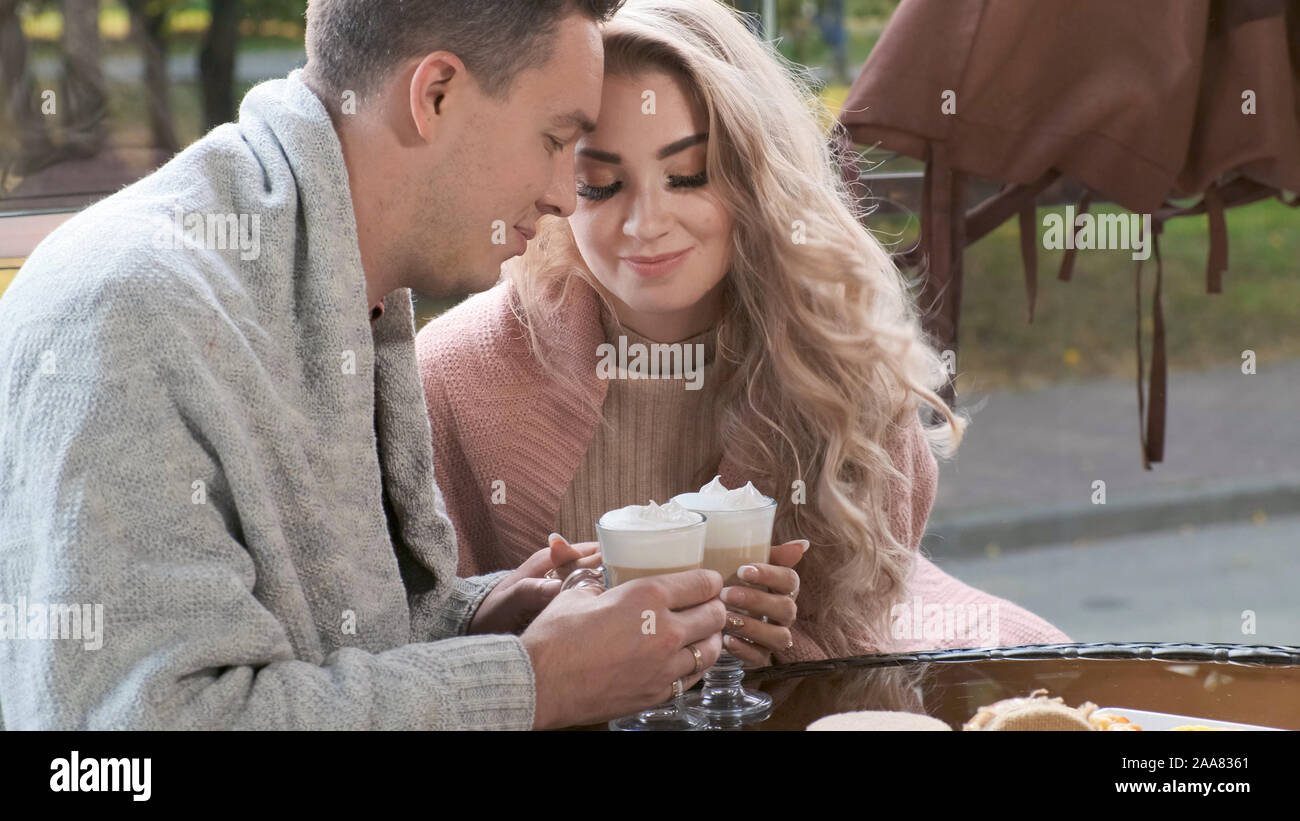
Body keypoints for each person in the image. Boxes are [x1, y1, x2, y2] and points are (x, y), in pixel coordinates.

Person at [0, 0, 729, 731]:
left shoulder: (340, 277)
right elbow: (129, 740)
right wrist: (532, 680)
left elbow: (327, 637)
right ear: (435, 93)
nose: (563, 197)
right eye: (554, 138)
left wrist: (480, 620)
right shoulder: (133, 311)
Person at [416, 0, 1070, 666]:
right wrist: (522, 636)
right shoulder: (448, 378)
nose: (647, 222)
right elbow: (419, 645)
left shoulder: (840, 363)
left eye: (689, 175)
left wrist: (793, 653)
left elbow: (873, 628)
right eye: (601, 183)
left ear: (755, 177)